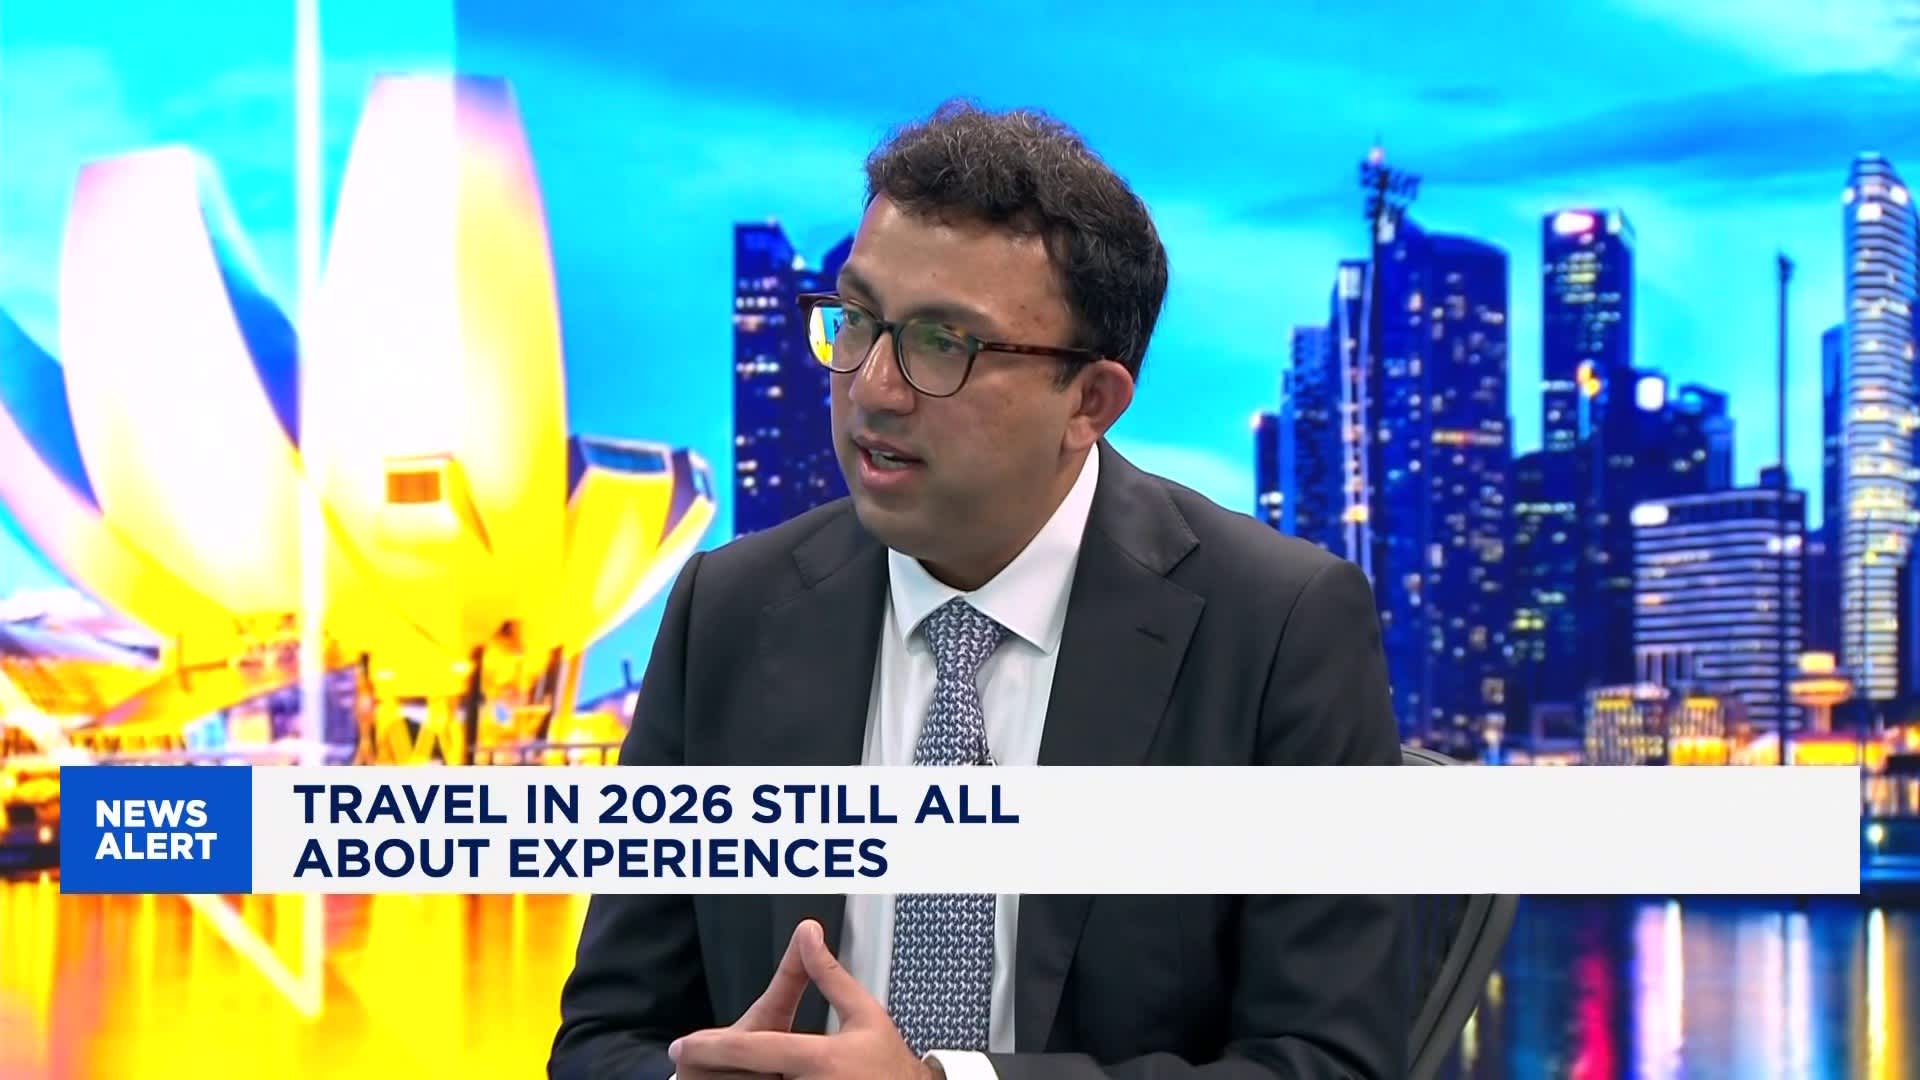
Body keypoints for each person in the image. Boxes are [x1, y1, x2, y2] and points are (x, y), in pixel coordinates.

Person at [551, 100, 1410, 1080]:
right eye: (858, 322)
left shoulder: (1280, 629)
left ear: (1090, 402)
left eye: (943, 343)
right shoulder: (728, 611)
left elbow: (1330, 1061)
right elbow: (603, 1038)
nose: (874, 386)